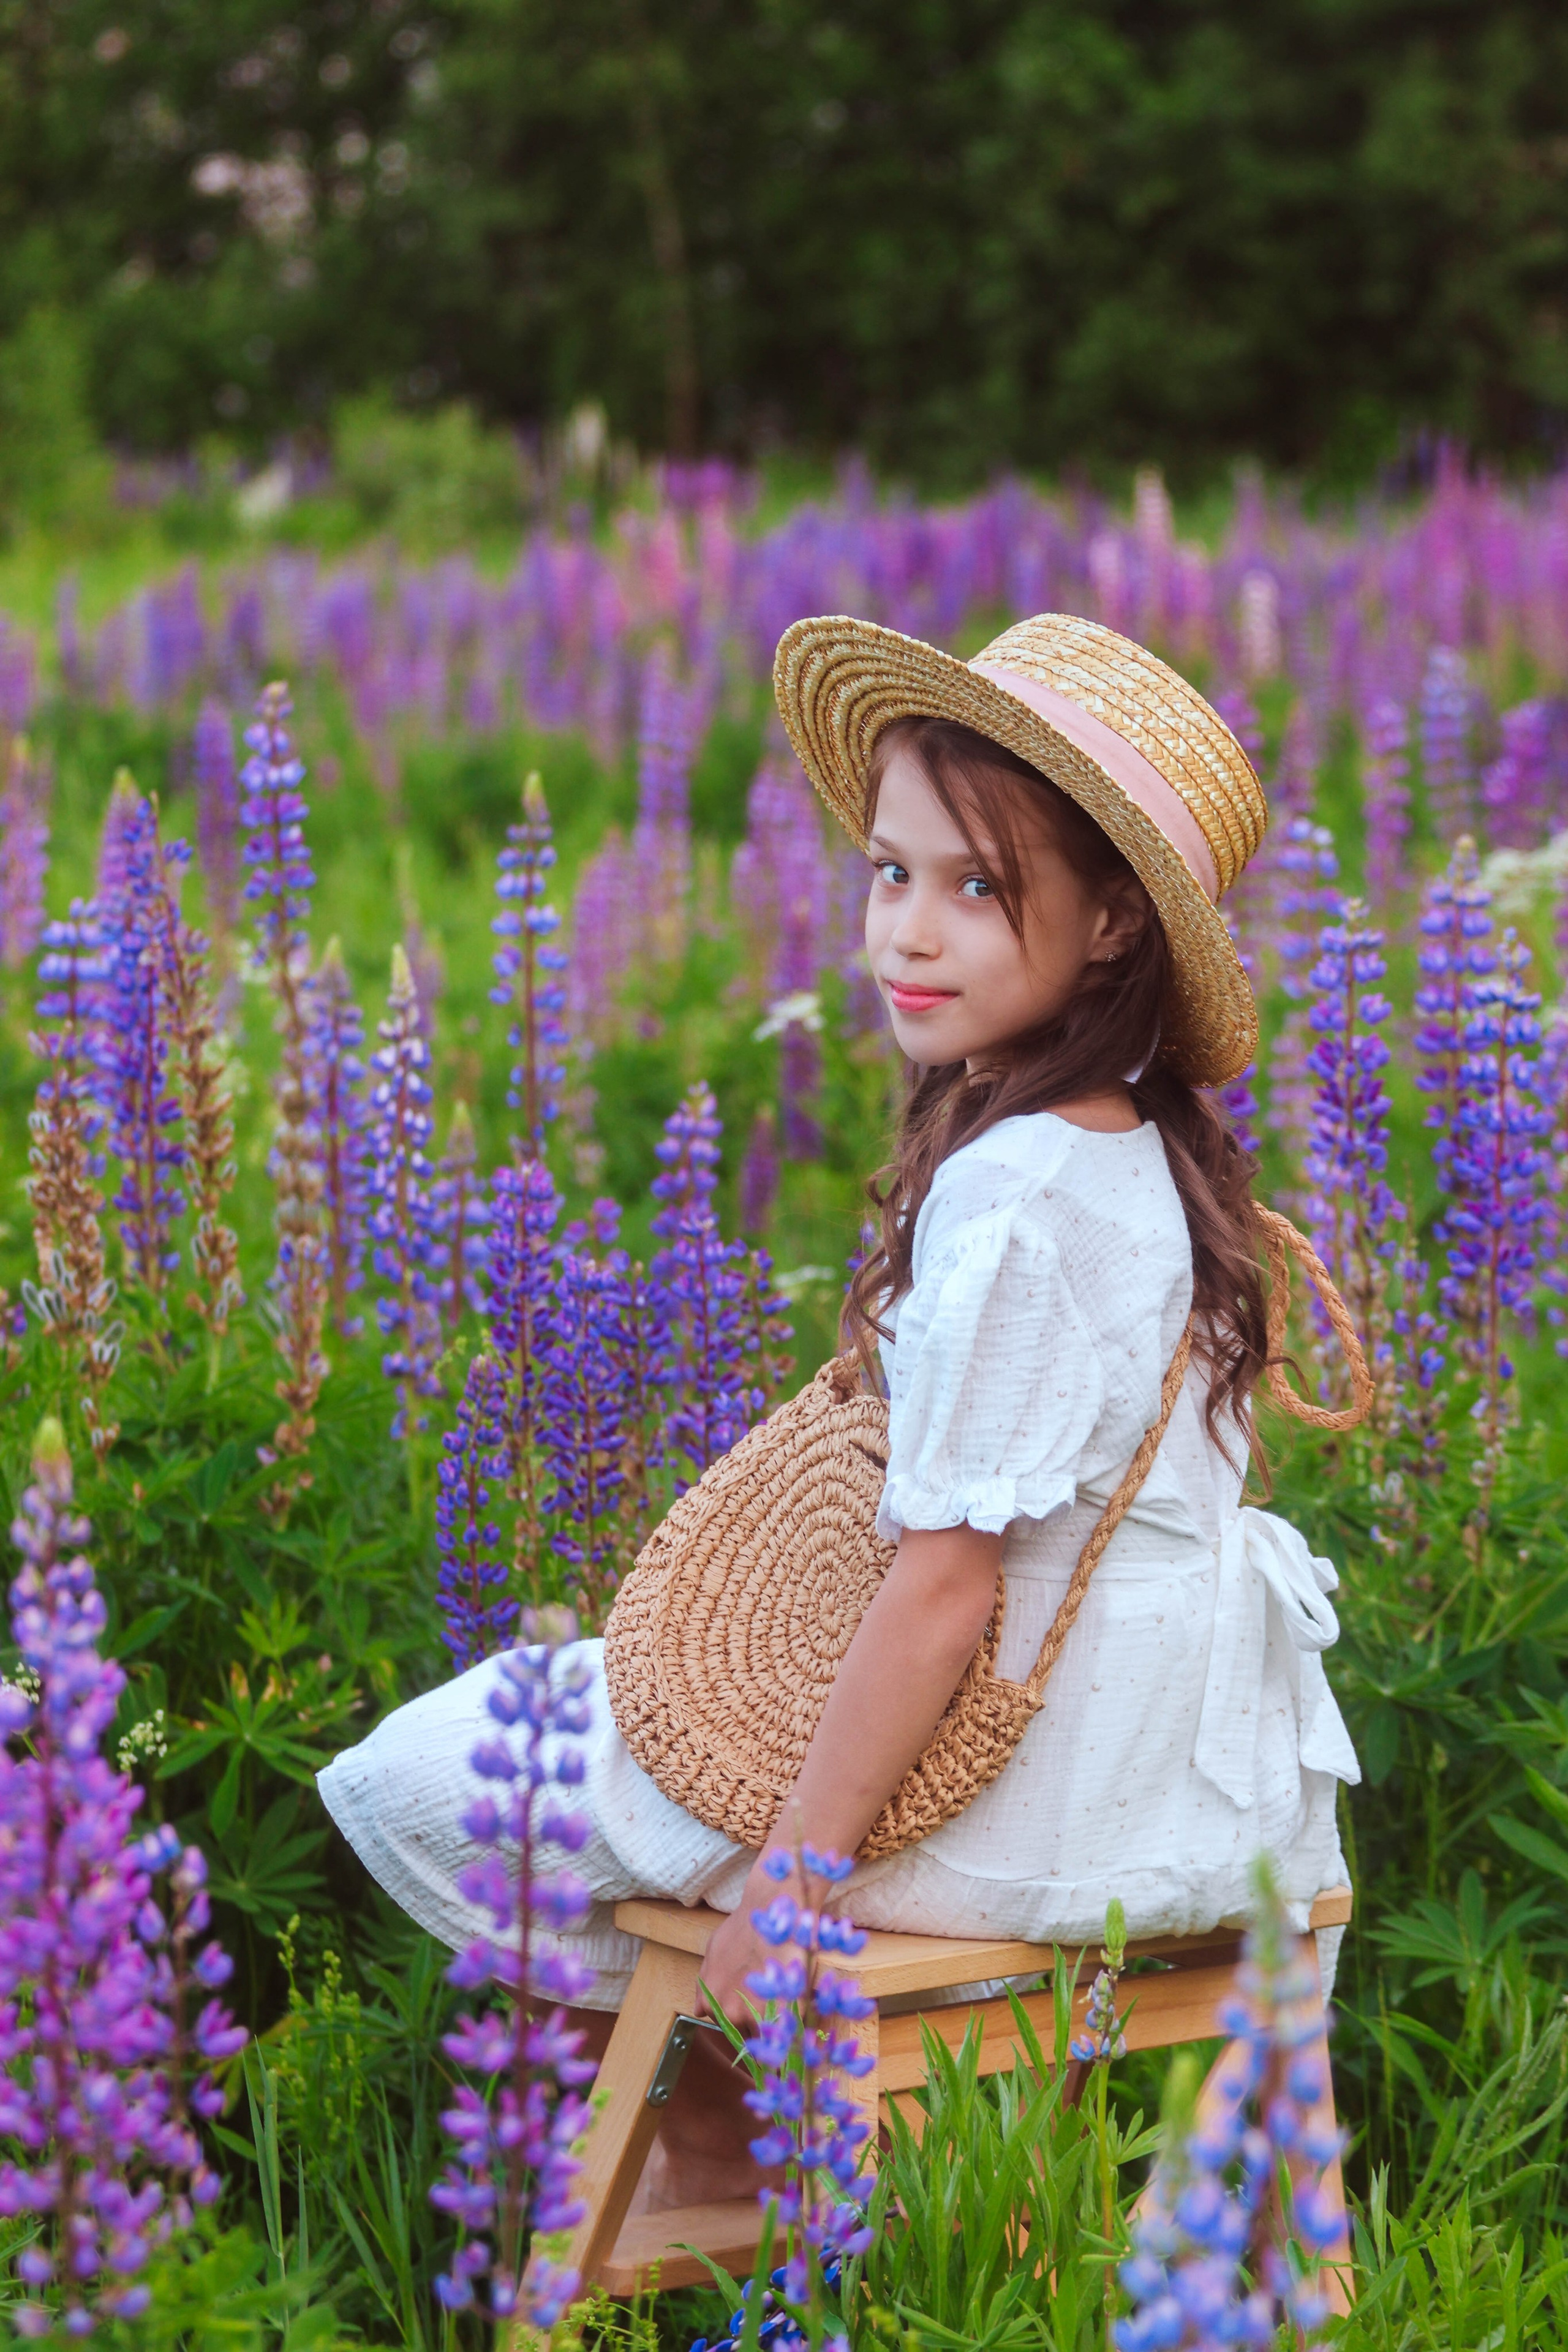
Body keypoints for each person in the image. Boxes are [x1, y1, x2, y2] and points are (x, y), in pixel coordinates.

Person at [318, 610, 1360, 2211]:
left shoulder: (1010, 1193)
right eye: (892, 874)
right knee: (621, 1736)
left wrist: (795, 1883)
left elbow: (944, 1590)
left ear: (1109, 930)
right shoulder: (1139, 1147)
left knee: (461, 1766)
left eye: (978, 887)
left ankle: (621, 2180)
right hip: (1184, 1780)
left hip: (1027, 1798)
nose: (909, 935)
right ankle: (759, 2149)